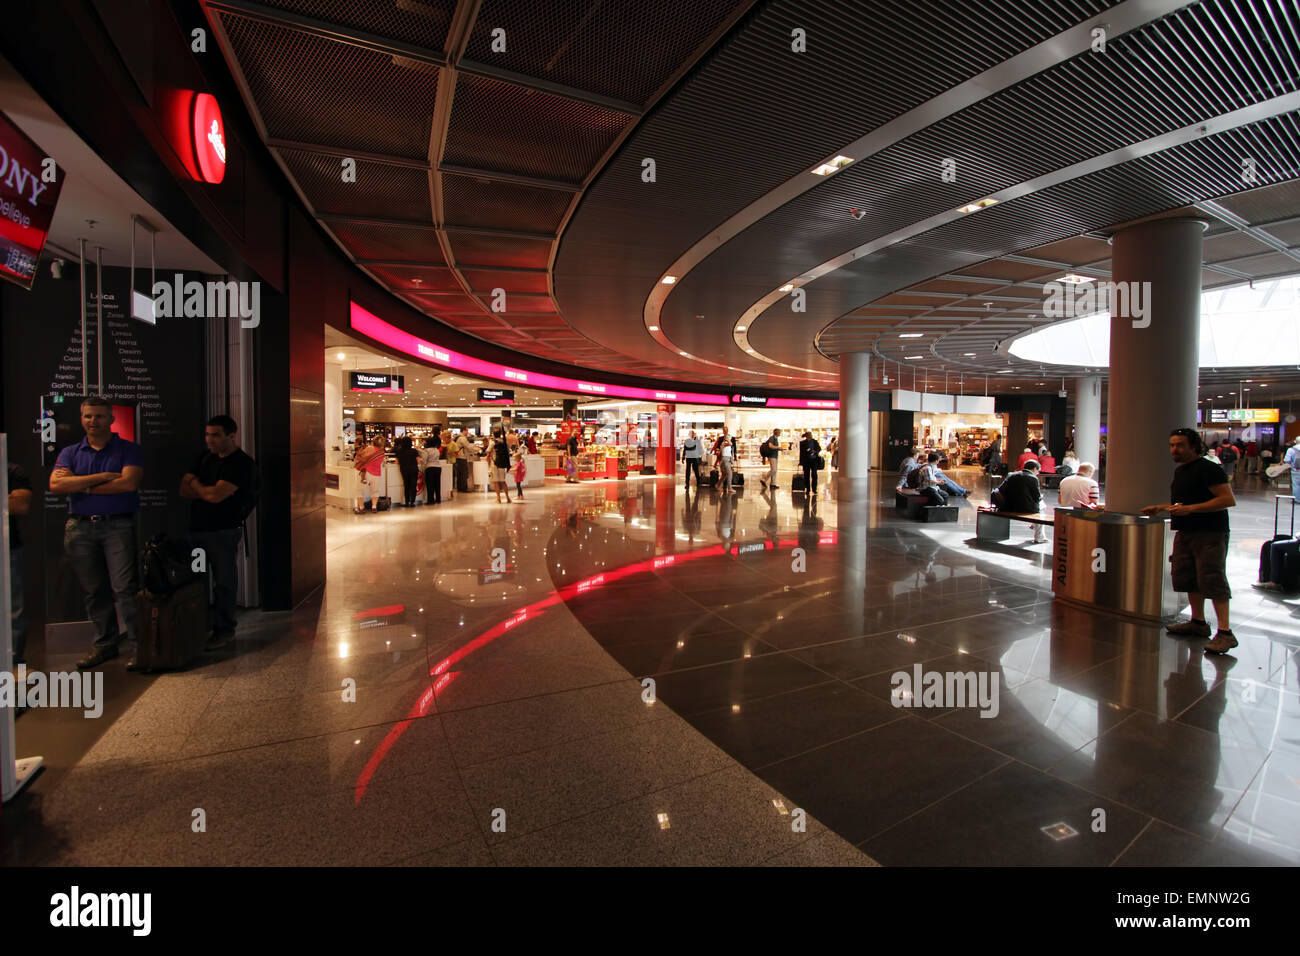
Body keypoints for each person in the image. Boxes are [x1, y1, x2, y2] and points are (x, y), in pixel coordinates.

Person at [50, 397, 144, 669]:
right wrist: (101, 477)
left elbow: (127, 483)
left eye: (100, 416)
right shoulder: (70, 451)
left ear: (111, 419)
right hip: (79, 528)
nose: (93, 421)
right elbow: (56, 485)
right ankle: (106, 644)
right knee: (94, 590)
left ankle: (140, 646)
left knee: (125, 588)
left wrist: (78, 485)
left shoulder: (128, 449)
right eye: (88, 416)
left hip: (117, 525)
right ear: (82, 418)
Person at [1143, 428, 1237, 654]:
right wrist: (1163, 507)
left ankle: (1225, 633)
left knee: (1212, 578)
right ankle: (1198, 622)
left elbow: (1227, 499)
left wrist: (1191, 509)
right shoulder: (1182, 471)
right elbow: (1185, 503)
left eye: (1180, 445)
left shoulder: (1210, 469)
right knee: (1188, 576)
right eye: (1172, 445)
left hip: (1209, 533)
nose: (1174, 449)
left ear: (1195, 446)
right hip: (1186, 531)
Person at [180, 415, 259, 650]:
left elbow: (215, 496)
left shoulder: (241, 464)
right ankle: (198, 626)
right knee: (197, 579)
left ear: (231, 435)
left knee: (224, 582)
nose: (210, 440)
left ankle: (224, 630)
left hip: (223, 533)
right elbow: (184, 489)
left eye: (215, 435)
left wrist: (198, 486)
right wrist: (204, 490)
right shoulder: (205, 457)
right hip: (196, 531)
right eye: (207, 434)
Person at [8, 458, 31, 668]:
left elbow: (19, 505)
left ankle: (13, 663)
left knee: (14, 609)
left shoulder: (13, 470)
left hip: (8, 548)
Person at [994, 459, 1047, 543]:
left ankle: (1034, 525)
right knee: (1042, 508)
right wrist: (1041, 497)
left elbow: (1001, 489)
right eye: (1038, 470)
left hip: (1009, 506)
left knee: (1041, 506)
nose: (1038, 473)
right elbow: (1037, 497)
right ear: (1033, 469)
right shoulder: (1033, 478)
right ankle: (1039, 536)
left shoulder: (1011, 475)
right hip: (1025, 508)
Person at [354, 436, 385, 513]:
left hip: (366, 472)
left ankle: (361, 508)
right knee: (375, 491)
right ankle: (374, 507)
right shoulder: (382, 452)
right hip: (376, 473)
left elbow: (361, 457)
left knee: (359, 490)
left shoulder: (369, 448)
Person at [394, 436, 419, 507]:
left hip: (404, 469)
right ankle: (413, 502)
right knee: (413, 485)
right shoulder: (414, 451)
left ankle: (407, 501)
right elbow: (418, 461)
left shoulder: (399, 451)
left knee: (406, 485)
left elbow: (396, 462)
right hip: (414, 469)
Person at [489, 429, 513, 502]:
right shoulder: (504, 442)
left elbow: (488, 452)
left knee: (496, 481)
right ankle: (508, 497)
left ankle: (498, 498)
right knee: (503, 481)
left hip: (495, 463)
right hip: (502, 464)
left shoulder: (492, 442)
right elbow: (509, 452)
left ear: (493, 434)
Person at [420, 436, 441, 505]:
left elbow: (424, 460)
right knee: (437, 484)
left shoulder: (426, 450)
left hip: (430, 468)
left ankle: (431, 500)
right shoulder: (436, 450)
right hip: (438, 467)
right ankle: (438, 499)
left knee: (430, 485)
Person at [1282, 435, 1300, 499]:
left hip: (1296, 470)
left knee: (1296, 485)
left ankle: (1297, 499)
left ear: (1295, 441)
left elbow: (1287, 460)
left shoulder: (1291, 449)